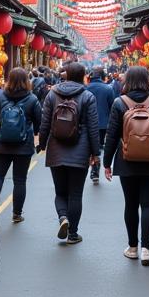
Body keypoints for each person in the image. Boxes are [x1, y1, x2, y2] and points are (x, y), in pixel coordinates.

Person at [103, 65, 149, 266]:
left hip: (126, 161)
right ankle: (146, 250)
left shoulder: (119, 103)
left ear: (127, 81)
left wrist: (107, 162)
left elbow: (112, 136)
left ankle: (132, 247)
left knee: (131, 204)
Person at [38, 61, 100, 245]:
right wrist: (95, 153)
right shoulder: (88, 96)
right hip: (80, 148)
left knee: (60, 192)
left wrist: (42, 144)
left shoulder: (52, 94)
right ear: (83, 76)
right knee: (75, 194)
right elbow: (93, 127)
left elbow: (45, 122)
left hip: (56, 146)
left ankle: (62, 217)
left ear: (65, 74)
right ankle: (73, 234)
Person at [0, 66, 42, 223]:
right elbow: (40, 122)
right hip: (23, 145)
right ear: (26, 81)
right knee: (20, 180)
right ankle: (17, 213)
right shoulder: (32, 99)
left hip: (1, 143)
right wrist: (38, 139)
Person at [85, 66, 115, 184]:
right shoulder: (108, 89)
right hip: (103, 124)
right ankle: (95, 169)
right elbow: (112, 107)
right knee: (98, 146)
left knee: (91, 147)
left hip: (87, 123)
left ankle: (94, 169)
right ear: (103, 76)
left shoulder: (85, 89)